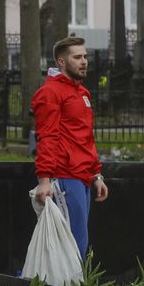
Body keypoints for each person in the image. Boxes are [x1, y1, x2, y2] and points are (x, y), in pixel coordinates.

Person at [31, 37, 109, 261]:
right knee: (72, 239)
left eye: (85, 56)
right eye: (77, 57)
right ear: (62, 62)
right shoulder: (50, 93)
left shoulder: (82, 93)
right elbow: (46, 136)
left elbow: (85, 138)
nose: (84, 61)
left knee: (79, 239)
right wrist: (45, 181)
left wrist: (96, 174)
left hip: (82, 176)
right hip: (63, 176)